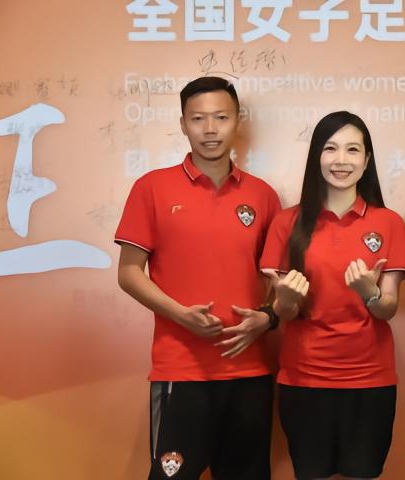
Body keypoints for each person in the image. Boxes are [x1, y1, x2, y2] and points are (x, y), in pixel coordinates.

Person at [115, 76, 281, 480]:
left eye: (221, 117)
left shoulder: (263, 196)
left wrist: (266, 318)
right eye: (198, 118)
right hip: (181, 370)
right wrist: (181, 315)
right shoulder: (152, 188)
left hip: (250, 371)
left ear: (237, 121)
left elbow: (278, 281)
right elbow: (129, 273)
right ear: (182, 123)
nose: (210, 129)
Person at [260, 111, 405, 480]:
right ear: (316, 156)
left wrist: (370, 293)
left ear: (367, 160)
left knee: (363, 473)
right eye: (330, 148)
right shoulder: (287, 222)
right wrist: (287, 299)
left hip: (370, 381)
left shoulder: (388, 222)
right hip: (303, 379)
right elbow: (284, 312)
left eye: (352, 150)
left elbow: (388, 308)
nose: (341, 160)